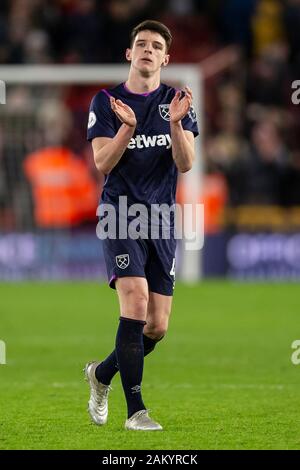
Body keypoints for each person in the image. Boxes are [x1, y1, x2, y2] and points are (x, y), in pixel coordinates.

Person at [85, 19, 199, 431]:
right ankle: (136, 411)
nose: (148, 50)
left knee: (157, 325)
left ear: (166, 58)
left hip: (163, 220)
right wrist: (128, 128)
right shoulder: (106, 102)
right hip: (119, 215)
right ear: (129, 54)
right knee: (134, 303)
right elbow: (102, 163)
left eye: (156, 46)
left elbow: (186, 164)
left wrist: (173, 123)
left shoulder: (179, 101)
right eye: (141, 44)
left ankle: (100, 375)